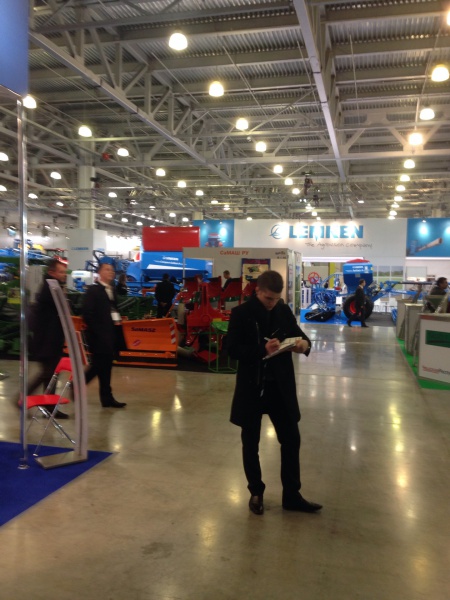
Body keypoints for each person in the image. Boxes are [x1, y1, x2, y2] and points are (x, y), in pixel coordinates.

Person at [227, 270, 322, 515]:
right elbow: (232, 349)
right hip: (253, 387)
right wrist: (262, 349)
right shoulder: (241, 314)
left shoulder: (282, 310)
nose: (272, 303)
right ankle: (256, 492)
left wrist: (303, 345)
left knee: (291, 439)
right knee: (251, 443)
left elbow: (300, 336)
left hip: (280, 387)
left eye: (277, 299)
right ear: (257, 291)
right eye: (268, 298)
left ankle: (292, 495)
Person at [25, 258, 69, 418]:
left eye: (64, 272)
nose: (64, 275)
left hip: (50, 340)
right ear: (51, 272)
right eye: (61, 272)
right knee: (48, 374)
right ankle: (23, 399)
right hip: (47, 341)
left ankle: (49, 407)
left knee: (49, 374)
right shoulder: (49, 289)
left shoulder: (53, 287)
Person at [82, 263, 126, 408]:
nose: (111, 272)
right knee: (98, 366)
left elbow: (113, 310)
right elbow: (87, 314)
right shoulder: (93, 290)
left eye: (112, 270)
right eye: (107, 269)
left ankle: (107, 398)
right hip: (99, 337)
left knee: (106, 367)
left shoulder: (111, 290)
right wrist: (98, 331)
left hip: (111, 334)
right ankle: (78, 385)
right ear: (99, 272)